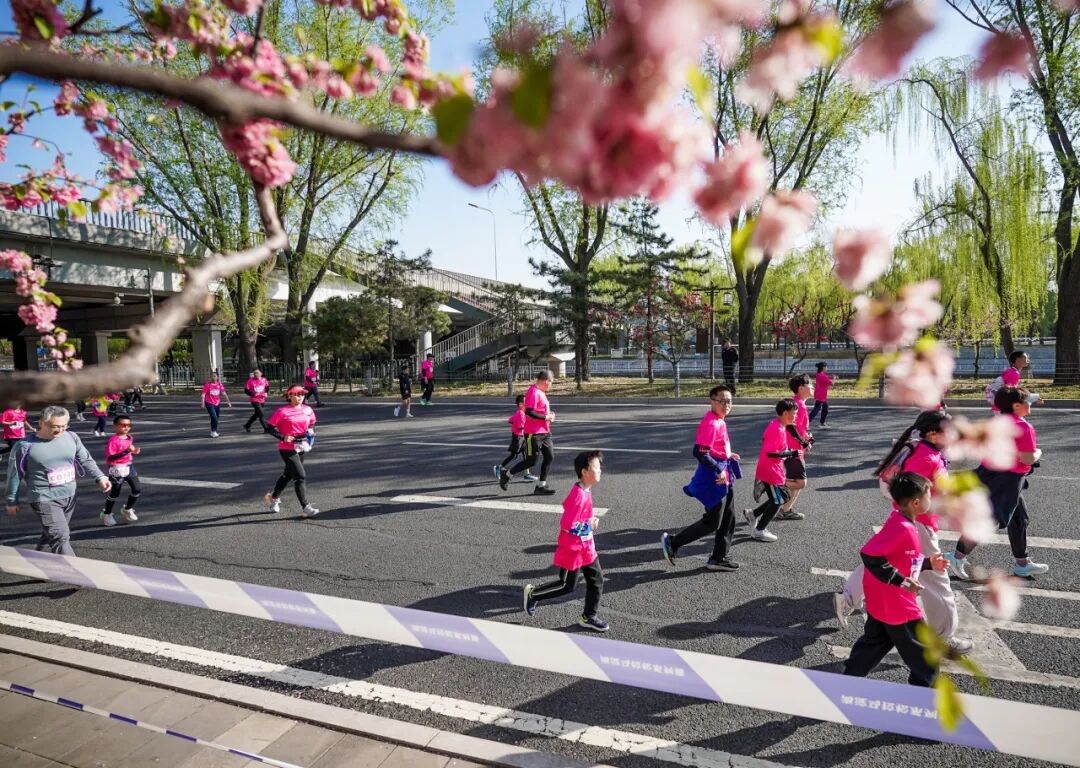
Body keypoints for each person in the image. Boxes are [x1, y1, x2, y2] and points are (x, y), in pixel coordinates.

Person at [834, 410, 973, 655]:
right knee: (936, 578)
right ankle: (943, 636)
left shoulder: (924, 450)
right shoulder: (926, 457)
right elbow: (914, 492)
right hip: (918, 524)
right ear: (933, 434)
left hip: (909, 519)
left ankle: (847, 598)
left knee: (882, 562)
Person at [843, 472, 949, 688]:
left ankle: (849, 678)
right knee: (926, 655)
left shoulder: (900, 520)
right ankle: (921, 694)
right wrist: (901, 581)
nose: (931, 499)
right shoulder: (903, 528)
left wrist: (928, 563)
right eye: (929, 495)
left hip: (882, 598)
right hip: (898, 602)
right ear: (916, 502)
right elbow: (870, 554)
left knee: (875, 643)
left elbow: (901, 558)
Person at [944, 385, 1048, 579]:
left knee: (1019, 519)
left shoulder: (995, 422)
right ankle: (956, 557)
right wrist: (1038, 453)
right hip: (1008, 479)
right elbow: (1027, 458)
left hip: (989, 472)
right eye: (1028, 402)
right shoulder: (1024, 427)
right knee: (992, 520)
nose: (1031, 405)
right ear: (1016, 406)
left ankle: (1022, 563)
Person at [5, 405, 111, 555]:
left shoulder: (72, 437)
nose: (60, 430)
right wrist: (11, 500)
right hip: (44, 498)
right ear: (41, 423)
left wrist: (100, 476)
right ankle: (75, 568)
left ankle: (38, 561)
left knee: (51, 534)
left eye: (64, 426)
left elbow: (86, 459)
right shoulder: (24, 446)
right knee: (60, 536)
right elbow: (14, 475)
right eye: (55, 426)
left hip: (69, 495)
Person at [523, 450, 608, 632]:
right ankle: (533, 594)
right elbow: (568, 524)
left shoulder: (585, 490)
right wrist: (590, 525)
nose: (600, 470)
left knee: (596, 581)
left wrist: (589, 520)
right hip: (574, 548)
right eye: (596, 467)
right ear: (584, 472)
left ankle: (588, 616)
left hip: (586, 547)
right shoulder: (578, 495)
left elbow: (577, 514)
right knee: (566, 586)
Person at [660, 385, 743, 571]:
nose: (726, 405)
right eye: (722, 401)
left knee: (728, 518)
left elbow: (712, 448)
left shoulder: (718, 420)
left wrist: (727, 455)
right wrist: (718, 469)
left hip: (722, 473)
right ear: (712, 401)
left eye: (729, 401)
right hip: (714, 478)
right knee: (714, 521)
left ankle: (719, 557)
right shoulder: (712, 423)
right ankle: (673, 542)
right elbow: (699, 452)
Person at [742, 400, 799, 542]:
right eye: (794, 414)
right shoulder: (776, 429)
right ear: (785, 413)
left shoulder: (779, 425)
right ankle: (759, 530)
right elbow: (771, 453)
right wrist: (790, 453)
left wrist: (788, 451)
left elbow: (776, 449)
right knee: (778, 500)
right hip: (770, 471)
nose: (796, 416)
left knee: (783, 496)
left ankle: (753, 514)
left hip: (775, 469)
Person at [264, 385, 320, 518]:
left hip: (302, 445)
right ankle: (306, 507)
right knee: (300, 476)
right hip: (286, 447)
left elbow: (312, 424)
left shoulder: (307, 409)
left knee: (287, 475)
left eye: (302, 394)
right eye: (297, 394)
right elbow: (269, 428)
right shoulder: (282, 411)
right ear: (289, 396)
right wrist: (283, 437)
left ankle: (273, 498)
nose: (300, 397)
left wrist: (311, 432)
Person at [501, 370, 556, 494]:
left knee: (549, 457)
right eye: (551, 382)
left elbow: (540, 410)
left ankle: (541, 486)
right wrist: (546, 417)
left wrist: (549, 415)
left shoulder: (541, 392)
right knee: (531, 461)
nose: (551, 384)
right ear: (546, 381)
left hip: (545, 432)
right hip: (533, 434)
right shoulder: (533, 392)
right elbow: (529, 411)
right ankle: (507, 475)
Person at [776, 374, 814, 521]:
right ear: (801, 388)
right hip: (793, 449)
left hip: (795, 448)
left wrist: (807, 438)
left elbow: (799, 427)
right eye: (810, 385)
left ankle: (785, 510)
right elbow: (790, 426)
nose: (813, 387)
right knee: (800, 482)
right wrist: (802, 441)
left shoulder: (798, 402)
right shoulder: (798, 405)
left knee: (797, 481)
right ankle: (771, 483)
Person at [100, 415, 141, 527]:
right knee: (115, 493)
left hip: (129, 466)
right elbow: (110, 457)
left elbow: (129, 449)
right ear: (115, 426)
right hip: (116, 468)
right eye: (123, 425)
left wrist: (134, 451)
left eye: (129, 425)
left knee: (137, 489)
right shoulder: (113, 440)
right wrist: (126, 451)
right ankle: (106, 514)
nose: (126, 427)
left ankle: (127, 509)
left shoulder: (129, 437)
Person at [494, 395, 527, 478]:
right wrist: (530, 427)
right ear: (520, 404)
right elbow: (520, 427)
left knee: (526, 455)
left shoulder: (519, 412)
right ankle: (499, 468)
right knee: (513, 455)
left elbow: (510, 420)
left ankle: (527, 474)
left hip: (521, 436)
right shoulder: (521, 414)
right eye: (526, 402)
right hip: (518, 437)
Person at [201, 371, 232, 438]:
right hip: (209, 403)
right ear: (210, 377)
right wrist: (203, 403)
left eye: (215, 376)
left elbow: (224, 394)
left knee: (216, 418)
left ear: (217, 377)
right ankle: (213, 431)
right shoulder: (207, 385)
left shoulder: (220, 384)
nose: (213, 377)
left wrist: (228, 402)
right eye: (212, 376)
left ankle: (213, 431)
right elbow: (203, 395)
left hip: (217, 403)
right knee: (214, 417)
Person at [808, 362, 833, 428]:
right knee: (816, 410)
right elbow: (831, 383)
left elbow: (826, 382)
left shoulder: (819, 374)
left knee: (825, 408)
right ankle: (806, 423)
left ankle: (822, 423)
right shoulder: (822, 375)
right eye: (826, 367)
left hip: (821, 395)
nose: (827, 368)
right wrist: (835, 378)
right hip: (821, 396)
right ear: (823, 367)